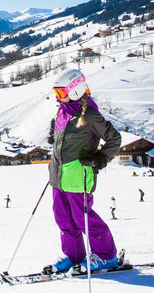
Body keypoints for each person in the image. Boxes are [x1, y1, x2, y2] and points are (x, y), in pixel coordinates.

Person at [44, 68, 124, 275]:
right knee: (63, 219)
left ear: (76, 90)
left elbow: (114, 139)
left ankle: (107, 256)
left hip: (79, 176)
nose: (58, 98)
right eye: (56, 93)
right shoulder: (63, 111)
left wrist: (100, 158)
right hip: (59, 177)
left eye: (61, 93)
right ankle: (74, 254)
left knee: (84, 218)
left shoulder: (88, 114)